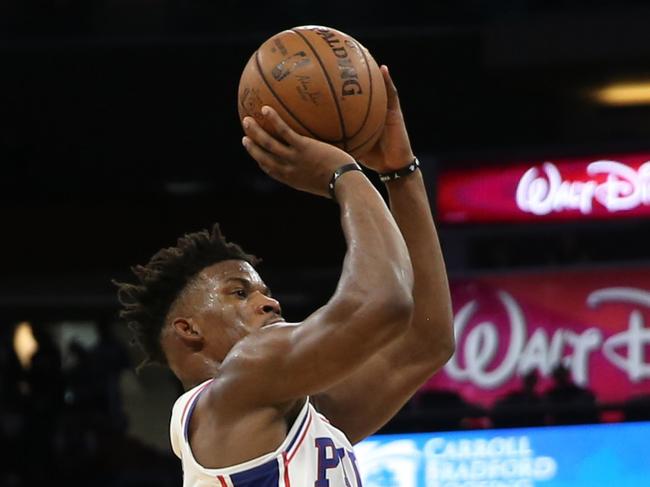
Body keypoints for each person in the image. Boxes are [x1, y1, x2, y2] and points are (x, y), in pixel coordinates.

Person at [114, 65, 454, 487]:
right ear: (189, 330)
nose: (269, 302)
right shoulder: (242, 378)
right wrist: (344, 175)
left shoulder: (293, 413)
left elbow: (426, 341)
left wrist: (401, 173)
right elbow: (383, 302)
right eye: (239, 293)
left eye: (263, 290)